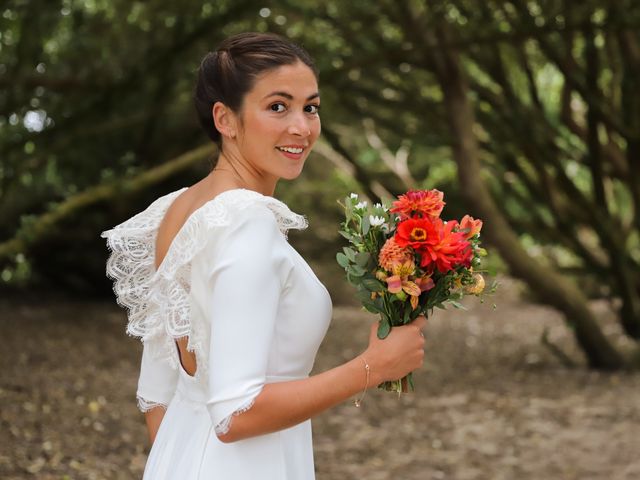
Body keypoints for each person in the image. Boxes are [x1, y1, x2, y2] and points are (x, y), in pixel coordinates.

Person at [101, 31, 426, 480]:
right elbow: (236, 414)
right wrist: (374, 366)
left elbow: (159, 396)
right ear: (225, 119)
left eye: (310, 107)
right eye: (278, 106)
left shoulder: (179, 210)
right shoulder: (244, 221)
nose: (301, 127)